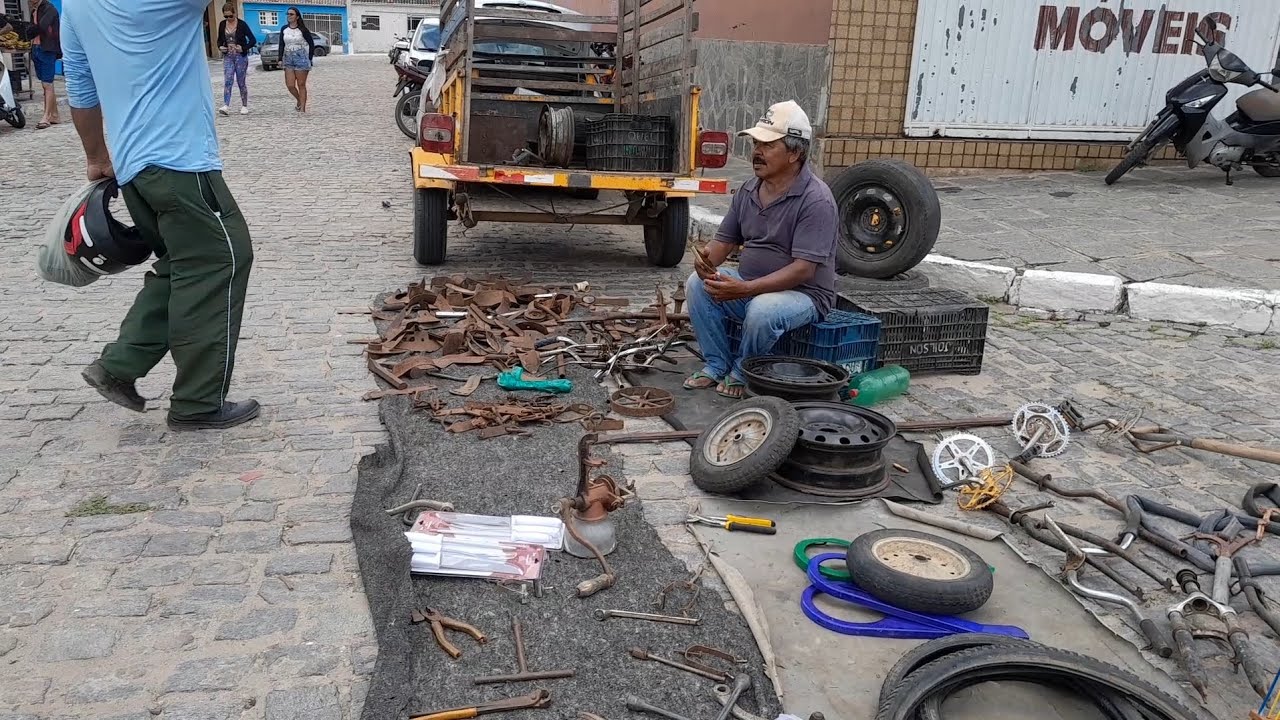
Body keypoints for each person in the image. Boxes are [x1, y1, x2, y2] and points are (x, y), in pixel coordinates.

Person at [61, 0, 259, 431]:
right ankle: (198, 403)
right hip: (179, 162)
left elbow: (81, 89)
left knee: (181, 266)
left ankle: (119, 365)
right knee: (221, 259)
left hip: (135, 168)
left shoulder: (75, 7)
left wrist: (96, 156)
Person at [683, 100, 838, 399]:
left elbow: (803, 269)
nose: (756, 152)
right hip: (750, 287)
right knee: (697, 285)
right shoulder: (749, 190)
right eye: (756, 143)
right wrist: (706, 263)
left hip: (804, 296)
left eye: (767, 145)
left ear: (794, 152)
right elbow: (724, 241)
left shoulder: (816, 200)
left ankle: (742, 371)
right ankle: (716, 364)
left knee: (762, 309)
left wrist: (746, 289)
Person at [216, 2, 255, 116]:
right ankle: (226, 105)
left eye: (230, 16)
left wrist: (243, 48)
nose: (228, 18)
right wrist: (220, 47)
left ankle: (244, 105)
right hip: (228, 56)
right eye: (226, 16)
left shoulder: (242, 25)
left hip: (240, 57)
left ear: (235, 13)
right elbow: (219, 40)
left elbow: (252, 40)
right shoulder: (222, 24)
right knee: (228, 80)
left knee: (241, 81)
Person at [25, 0, 60, 129]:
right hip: (36, 48)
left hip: (47, 48)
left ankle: (46, 117)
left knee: (47, 84)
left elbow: (42, 26)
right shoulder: (34, 10)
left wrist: (31, 30)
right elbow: (31, 29)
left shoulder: (49, 8)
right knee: (45, 83)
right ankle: (54, 114)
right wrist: (31, 30)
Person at [277, 7, 315, 112]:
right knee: (290, 85)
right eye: (288, 14)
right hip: (288, 57)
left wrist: (309, 58)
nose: (289, 16)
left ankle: (302, 108)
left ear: (297, 16)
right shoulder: (284, 29)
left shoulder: (302, 30)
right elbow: (281, 44)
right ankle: (299, 100)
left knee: (301, 84)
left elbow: (311, 44)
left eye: (291, 14)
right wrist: (280, 58)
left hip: (301, 57)